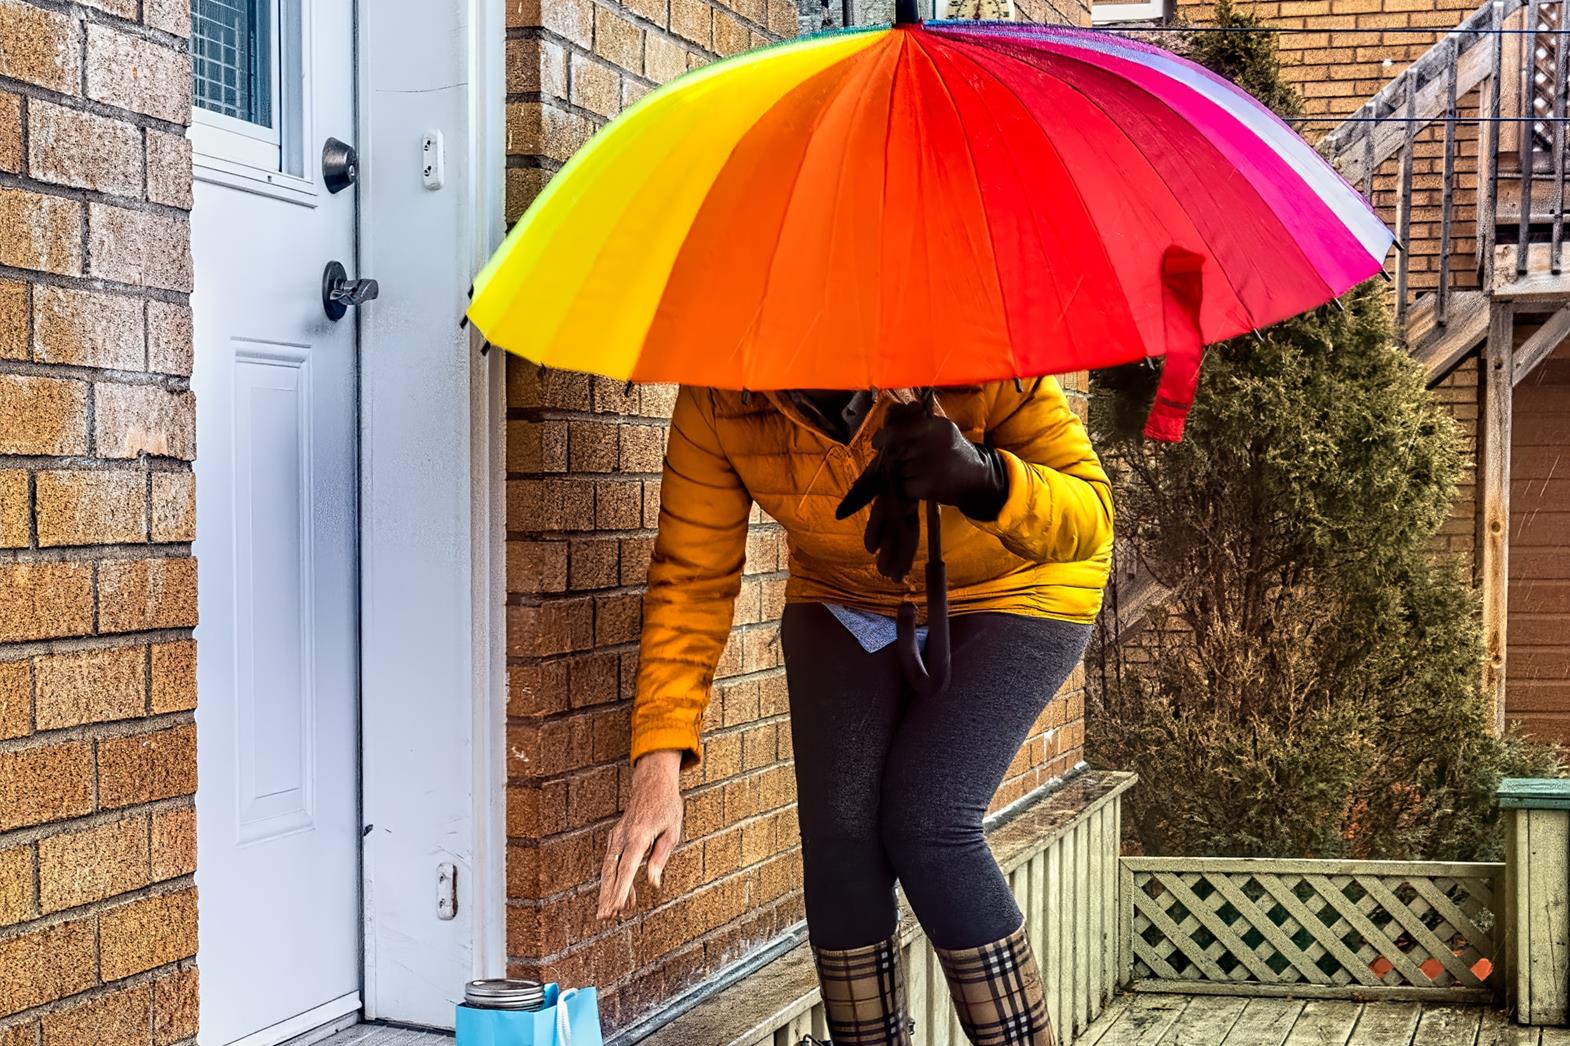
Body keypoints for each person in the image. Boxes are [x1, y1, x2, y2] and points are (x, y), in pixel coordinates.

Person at [596, 382, 1114, 1046]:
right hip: (845, 588)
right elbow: (690, 581)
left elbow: (1092, 514)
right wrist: (657, 769)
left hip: (1020, 580)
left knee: (927, 821)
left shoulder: (973, 355)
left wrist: (984, 479)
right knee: (840, 833)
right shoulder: (718, 395)